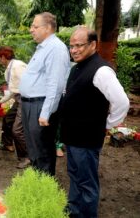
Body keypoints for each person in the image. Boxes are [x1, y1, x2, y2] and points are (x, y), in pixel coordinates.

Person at [60, 27, 129, 218]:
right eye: (71, 46)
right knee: (75, 176)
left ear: (93, 45)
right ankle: (74, 210)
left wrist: (107, 125)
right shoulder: (76, 68)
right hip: (73, 137)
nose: (74, 50)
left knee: (87, 182)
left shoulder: (102, 71)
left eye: (79, 45)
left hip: (87, 139)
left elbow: (122, 102)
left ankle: (87, 214)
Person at [18, 12, 70, 176]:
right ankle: (37, 183)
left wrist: (46, 113)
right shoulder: (43, 48)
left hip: (40, 106)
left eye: (35, 26)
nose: (31, 29)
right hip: (30, 104)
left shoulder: (56, 48)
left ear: (47, 28)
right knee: (34, 148)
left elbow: (55, 84)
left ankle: (46, 188)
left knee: (43, 151)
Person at [0, 46, 30, 169]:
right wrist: (0, 101)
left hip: (25, 99)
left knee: (17, 130)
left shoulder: (18, 66)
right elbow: (12, 90)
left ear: (4, 57)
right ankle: (7, 144)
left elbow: (29, 83)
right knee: (7, 119)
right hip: (18, 98)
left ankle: (26, 157)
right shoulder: (9, 68)